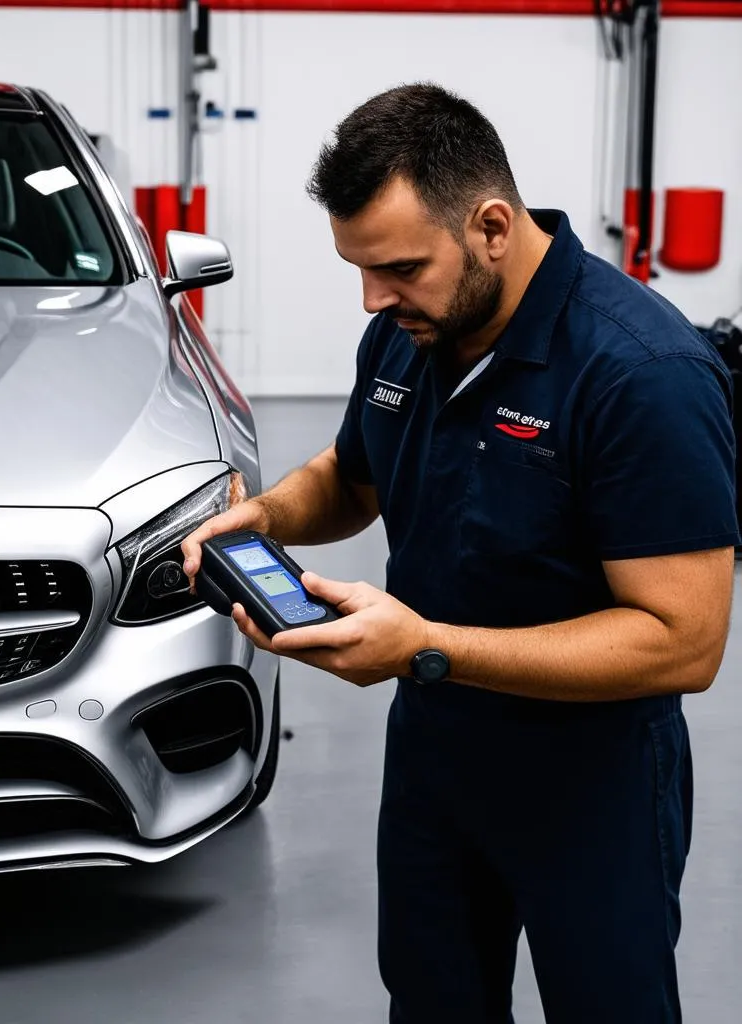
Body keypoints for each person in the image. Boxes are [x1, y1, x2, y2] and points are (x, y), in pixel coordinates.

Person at [181, 82, 739, 1023]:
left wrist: (428, 647)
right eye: (358, 269)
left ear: (489, 226)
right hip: (438, 755)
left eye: (398, 266)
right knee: (435, 997)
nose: (372, 297)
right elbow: (353, 476)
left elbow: (685, 640)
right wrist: (268, 517)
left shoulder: (643, 373)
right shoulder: (406, 335)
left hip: (589, 780)